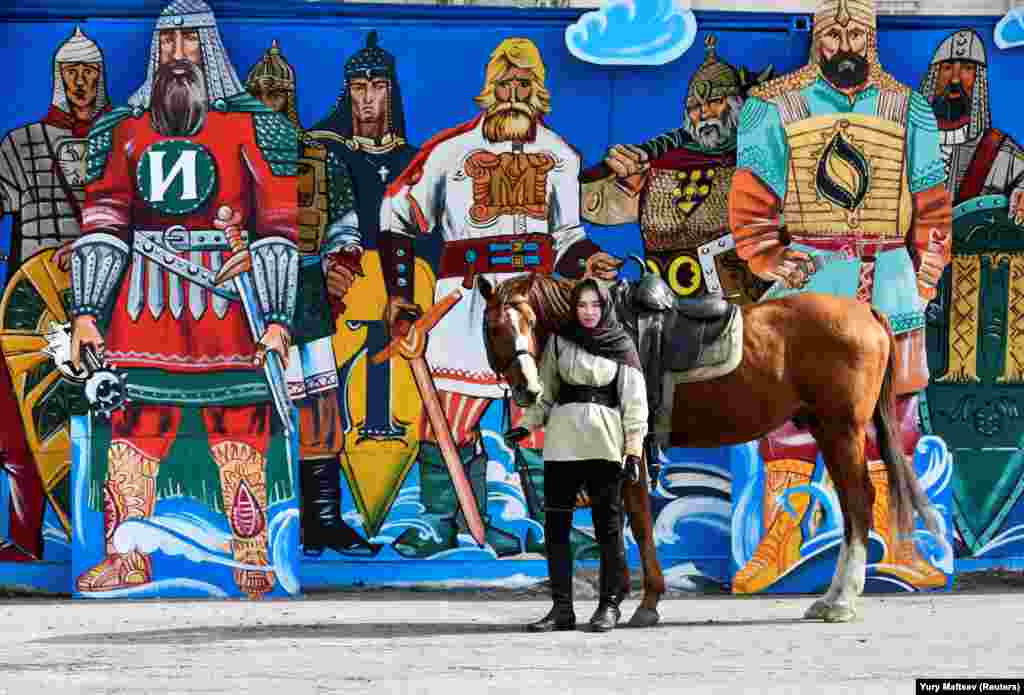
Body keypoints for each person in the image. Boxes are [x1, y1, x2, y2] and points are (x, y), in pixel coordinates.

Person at [70, 0, 299, 598]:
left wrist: (275, 318)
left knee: (241, 430)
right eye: (166, 41)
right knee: (132, 431)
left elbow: (277, 226)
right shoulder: (122, 130)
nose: (176, 54)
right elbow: (104, 222)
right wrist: (87, 312)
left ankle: (251, 557)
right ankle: (127, 560)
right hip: (141, 309)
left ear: (209, 48)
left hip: (229, 307)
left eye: (189, 41)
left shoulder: (255, 127)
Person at [727, 0, 952, 592]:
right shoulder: (772, 105)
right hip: (812, 283)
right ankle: (782, 537)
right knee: (788, 413)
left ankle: (896, 541)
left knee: (896, 416)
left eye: (857, 31)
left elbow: (931, 207)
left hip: (893, 283)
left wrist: (924, 279)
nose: (845, 43)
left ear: (872, 37)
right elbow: (751, 202)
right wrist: (772, 257)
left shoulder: (910, 108)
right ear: (814, 37)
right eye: (834, 31)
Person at [380, 37, 620, 559]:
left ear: (540, 93)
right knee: (450, 409)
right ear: (489, 91)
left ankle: (555, 522)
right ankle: (442, 521)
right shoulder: (449, 153)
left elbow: (568, 237)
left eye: (524, 84)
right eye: (505, 84)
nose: (514, 93)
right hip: (466, 301)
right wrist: (400, 297)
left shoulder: (559, 155)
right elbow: (396, 216)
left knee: (540, 413)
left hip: (534, 301)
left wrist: (590, 261)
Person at [244, 40, 376, 556]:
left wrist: (340, 267)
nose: (270, 104)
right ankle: (265, 518)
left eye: (279, 95)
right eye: (261, 95)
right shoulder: (232, 156)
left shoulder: (318, 159)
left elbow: (344, 226)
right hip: (250, 295)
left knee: (318, 407)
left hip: (305, 289)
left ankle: (322, 517)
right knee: (258, 406)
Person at [0, 25, 110, 561]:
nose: (82, 82)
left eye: (90, 72)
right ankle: (25, 538)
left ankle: (106, 537)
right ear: (57, 78)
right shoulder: (20, 144)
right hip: (29, 306)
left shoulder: (119, 143)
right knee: (19, 421)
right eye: (73, 73)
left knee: (104, 412)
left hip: (103, 302)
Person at [511, 278, 648, 632]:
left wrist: (633, 450)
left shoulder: (621, 345)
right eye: (582, 305)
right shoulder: (559, 341)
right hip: (561, 445)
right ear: (574, 307)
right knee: (556, 529)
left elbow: (634, 402)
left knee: (608, 529)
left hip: (605, 446)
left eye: (595, 305)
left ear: (604, 307)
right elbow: (546, 394)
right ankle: (561, 610)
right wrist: (526, 425)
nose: (588, 312)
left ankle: (609, 605)